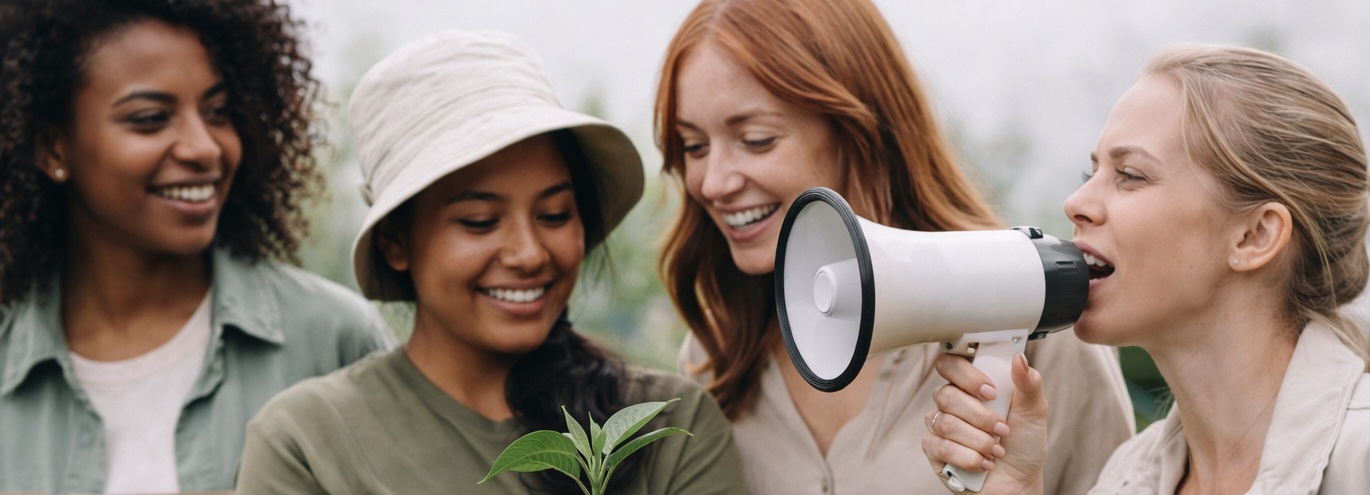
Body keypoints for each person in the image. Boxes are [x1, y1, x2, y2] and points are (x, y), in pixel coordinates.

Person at [234, 30, 747, 494]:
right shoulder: (310, 442)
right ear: (396, 242)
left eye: (554, 214)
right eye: (479, 221)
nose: (528, 254)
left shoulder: (664, 431)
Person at [653, 0, 1135, 493]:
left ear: (857, 130)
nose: (712, 182)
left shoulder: (1039, 328)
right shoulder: (715, 354)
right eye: (693, 146)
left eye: (756, 140)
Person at [924, 44, 1370, 494]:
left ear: (1254, 236)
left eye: (1130, 175)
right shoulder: (1124, 478)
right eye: (1090, 173)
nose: (1075, 204)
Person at [0, 0, 395, 493]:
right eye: (149, 119)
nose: (203, 147)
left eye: (218, 112)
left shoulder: (333, 338)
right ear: (52, 148)